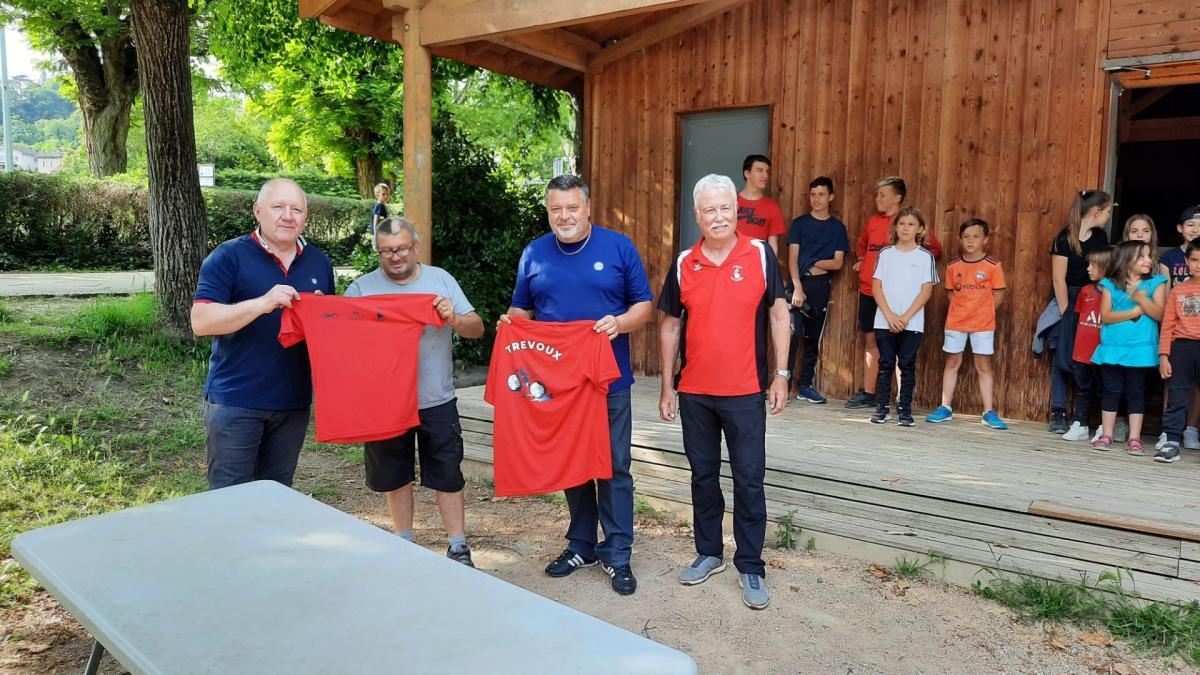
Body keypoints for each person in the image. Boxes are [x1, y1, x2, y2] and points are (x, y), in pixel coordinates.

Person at [502, 175, 654, 595]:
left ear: (588, 206)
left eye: (572, 207)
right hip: (557, 383)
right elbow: (522, 308)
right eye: (556, 209)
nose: (564, 216)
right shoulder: (534, 253)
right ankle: (582, 545)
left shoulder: (618, 246)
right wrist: (510, 324)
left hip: (609, 379)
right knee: (570, 462)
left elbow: (644, 304)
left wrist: (619, 323)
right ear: (548, 211)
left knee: (614, 464)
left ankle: (618, 552)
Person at [658, 174, 790, 611]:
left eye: (725, 208)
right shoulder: (683, 263)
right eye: (709, 210)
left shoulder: (758, 255)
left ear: (737, 211)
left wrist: (782, 374)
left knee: (749, 480)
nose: (719, 216)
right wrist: (666, 387)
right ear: (697, 215)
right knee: (703, 477)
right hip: (695, 391)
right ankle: (709, 553)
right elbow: (671, 325)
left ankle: (750, 564)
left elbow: (777, 313)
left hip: (745, 391)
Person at [344, 216, 484, 566]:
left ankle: (458, 546)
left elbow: (476, 328)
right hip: (386, 401)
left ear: (415, 248)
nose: (395, 257)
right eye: (386, 251)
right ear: (378, 252)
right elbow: (340, 340)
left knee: (448, 473)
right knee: (395, 474)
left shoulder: (441, 281)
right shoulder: (362, 289)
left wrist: (452, 317)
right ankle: (403, 544)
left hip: (436, 398)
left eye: (402, 249)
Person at [191, 178, 335, 489]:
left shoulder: (319, 263)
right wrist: (261, 304)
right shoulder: (228, 256)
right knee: (229, 499)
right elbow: (201, 321)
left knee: (276, 495)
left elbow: (327, 336)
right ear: (258, 211)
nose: (288, 215)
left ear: (305, 218)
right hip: (236, 401)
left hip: (292, 404)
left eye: (296, 209)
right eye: (278, 207)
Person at [846, 177, 942, 410]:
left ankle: (901, 400)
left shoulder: (909, 223)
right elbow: (861, 244)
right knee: (872, 343)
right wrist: (861, 259)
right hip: (870, 292)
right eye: (877, 194)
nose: (877, 199)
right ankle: (870, 394)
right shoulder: (873, 222)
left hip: (902, 301)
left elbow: (935, 249)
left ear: (897, 197)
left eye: (882, 194)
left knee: (901, 350)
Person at [924, 218, 1007, 429]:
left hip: (983, 325)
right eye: (966, 237)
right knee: (952, 363)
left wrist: (984, 311)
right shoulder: (953, 266)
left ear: (985, 240)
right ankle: (945, 407)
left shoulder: (993, 266)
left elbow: (999, 294)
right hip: (955, 323)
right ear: (960, 239)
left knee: (983, 366)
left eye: (976, 236)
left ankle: (988, 411)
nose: (971, 241)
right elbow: (951, 293)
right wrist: (963, 311)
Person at [1089, 240, 1167, 454]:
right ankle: (1107, 434)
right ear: (1125, 259)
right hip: (1113, 347)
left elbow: (1159, 314)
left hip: (1140, 350)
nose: (1148, 260)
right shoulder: (1109, 284)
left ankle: (1134, 438)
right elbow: (1106, 316)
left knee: (1135, 392)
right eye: (1142, 256)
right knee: (1111, 391)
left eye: (1149, 256)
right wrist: (1133, 313)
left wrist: (1140, 297)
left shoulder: (1156, 283)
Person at [1046, 190, 1112, 434]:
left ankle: (1084, 416)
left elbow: (1105, 268)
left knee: (1088, 355)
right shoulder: (1063, 239)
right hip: (1069, 298)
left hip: (1094, 296)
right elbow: (1058, 279)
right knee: (1063, 356)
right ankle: (1058, 411)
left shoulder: (1101, 237)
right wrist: (1067, 314)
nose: (1106, 217)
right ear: (1096, 211)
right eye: (1106, 212)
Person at [869, 207, 938, 427]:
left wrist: (905, 317)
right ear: (895, 227)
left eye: (911, 224)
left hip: (912, 322)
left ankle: (905, 410)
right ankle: (882, 408)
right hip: (884, 320)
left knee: (907, 364)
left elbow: (926, 291)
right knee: (886, 363)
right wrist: (890, 316)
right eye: (902, 223)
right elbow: (876, 286)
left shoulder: (925, 257)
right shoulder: (886, 254)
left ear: (920, 228)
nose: (906, 228)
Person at [786, 176, 849, 404]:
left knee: (812, 338)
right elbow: (793, 259)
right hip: (798, 284)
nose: (816, 199)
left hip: (821, 286)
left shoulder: (837, 228)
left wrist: (810, 260)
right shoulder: (799, 224)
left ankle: (805, 386)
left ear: (830, 197)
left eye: (821, 194)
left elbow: (838, 263)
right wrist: (797, 287)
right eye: (813, 194)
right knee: (790, 334)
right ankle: (782, 384)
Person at [1156, 205, 1200, 451]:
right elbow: (1168, 324)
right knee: (1177, 393)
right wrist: (1164, 356)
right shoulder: (1178, 290)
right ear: (1187, 262)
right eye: (1194, 260)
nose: (1198, 264)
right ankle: (1171, 438)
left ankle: (1192, 430)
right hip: (1181, 347)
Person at [1061, 246, 1112, 441]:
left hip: (1103, 353)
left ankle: (1103, 427)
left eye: (1093, 265)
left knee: (1104, 389)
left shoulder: (1115, 294)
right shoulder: (1085, 291)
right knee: (1083, 388)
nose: (1088, 268)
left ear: (1107, 267)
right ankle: (1080, 424)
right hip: (1081, 352)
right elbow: (1077, 320)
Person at [735, 154, 786, 258]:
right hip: (731, 262)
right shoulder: (730, 203)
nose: (765, 175)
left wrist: (771, 269)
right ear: (747, 173)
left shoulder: (772, 207)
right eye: (760, 170)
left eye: (767, 171)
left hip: (757, 264)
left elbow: (773, 245)